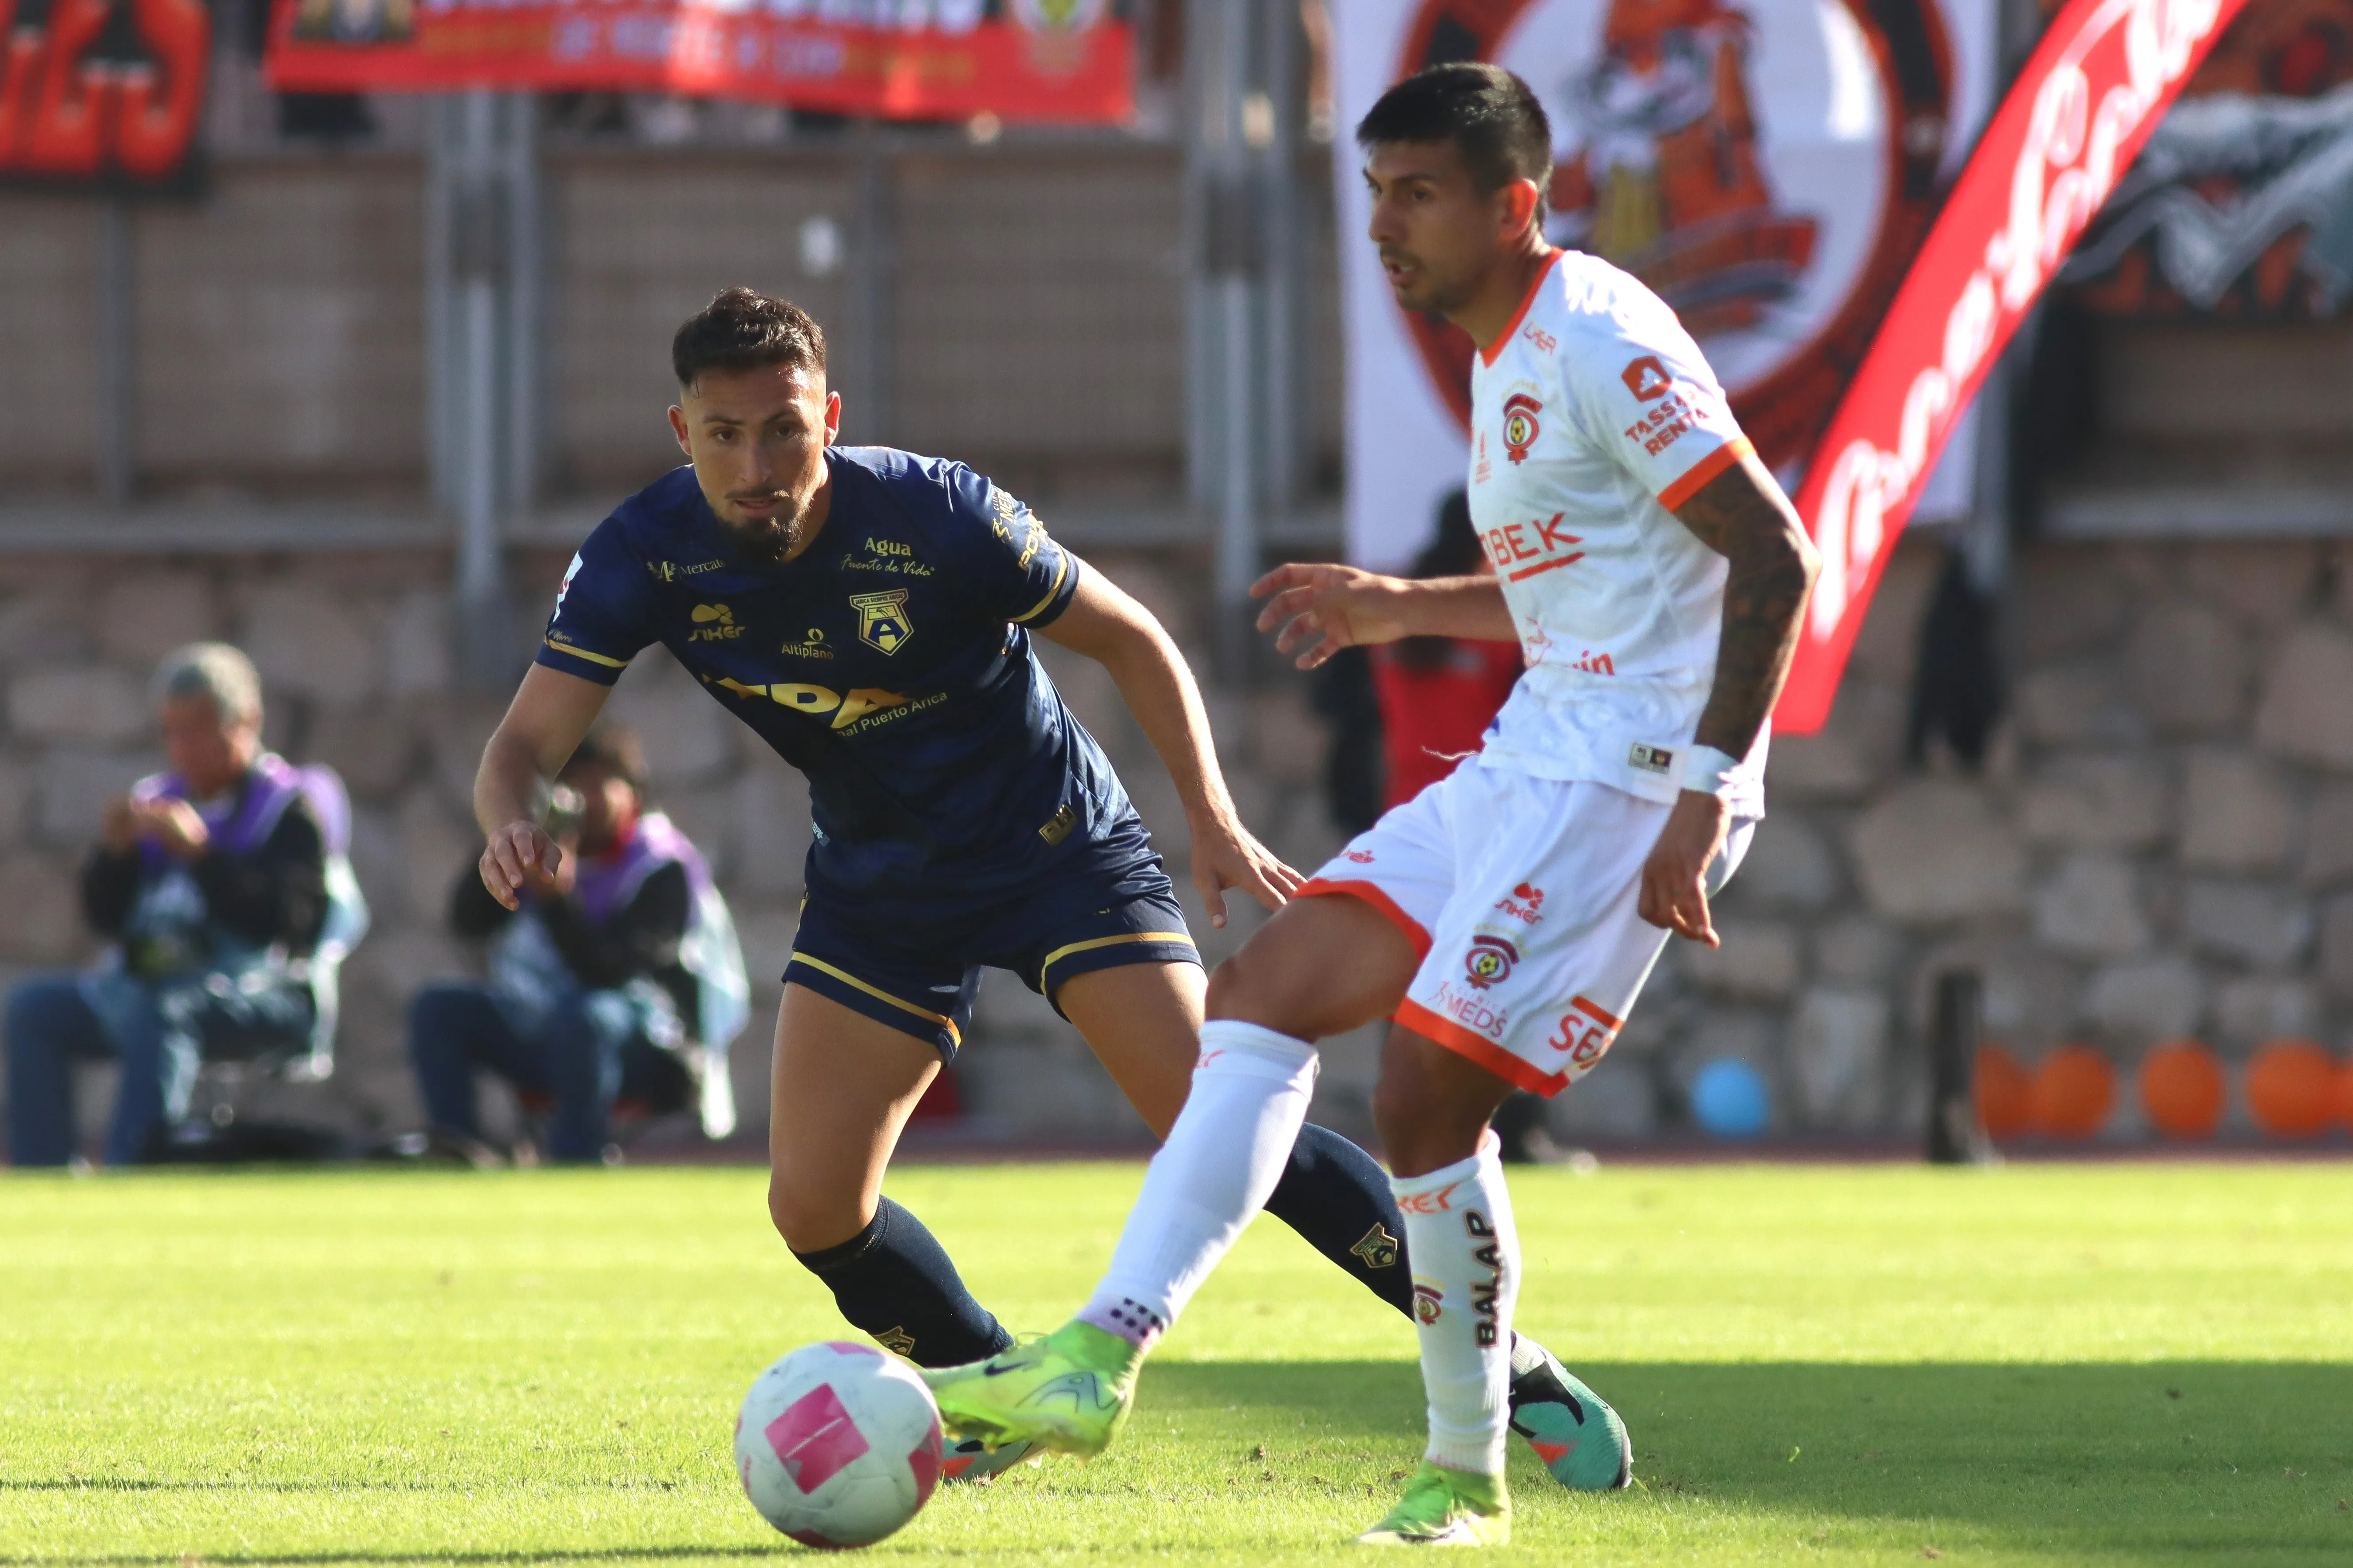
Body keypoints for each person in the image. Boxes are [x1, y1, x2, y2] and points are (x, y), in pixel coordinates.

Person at [471, 286, 1619, 1486]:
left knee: (1222, 1125)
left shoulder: (935, 512)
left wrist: (1211, 817)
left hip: (1058, 849)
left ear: (831, 417)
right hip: (881, 883)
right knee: (811, 1206)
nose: (756, 465)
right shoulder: (640, 554)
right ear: (680, 431)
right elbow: (520, 749)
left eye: (784, 430)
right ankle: (998, 1384)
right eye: (724, 436)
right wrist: (509, 826)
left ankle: (1512, 1367)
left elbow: (1132, 638)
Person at [926, 63, 1819, 1547]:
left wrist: (1707, 791)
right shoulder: (1501, 350)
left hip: (1631, 782)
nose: (1385, 225)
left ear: (1513, 205)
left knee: (1419, 1095)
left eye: (1416, 195)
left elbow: (1774, 557)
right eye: (1374, 193)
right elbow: (1587, 594)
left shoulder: (1596, 336)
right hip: (1541, 751)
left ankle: (1464, 1472)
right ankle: (1100, 1354)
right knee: (1262, 990)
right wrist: (1398, 607)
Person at [6, 643, 366, 1166]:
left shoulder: (292, 807)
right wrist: (116, 856)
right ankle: (45, 1176)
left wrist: (201, 855)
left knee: (166, 1014)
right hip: (158, 984)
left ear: (246, 721)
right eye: (171, 732)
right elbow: (107, 920)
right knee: (34, 1010)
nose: (182, 749)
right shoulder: (159, 799)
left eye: (197, 731)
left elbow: (287, 923)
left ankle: (133, 1170)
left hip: (265, 994)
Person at [409, 724, 749, 1165]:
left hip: (643, 1043)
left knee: (586, 1019)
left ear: (633, 795)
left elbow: (609, 971)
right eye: (567, 783)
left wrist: (556, 901)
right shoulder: (540, 843)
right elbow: (467, 922)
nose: (580, 798)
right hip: (543, 1027)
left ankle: (575, 1163)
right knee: (439, 1007)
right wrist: (502, 847)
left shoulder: (662, 867)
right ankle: (456, 1154)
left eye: (596, 782)